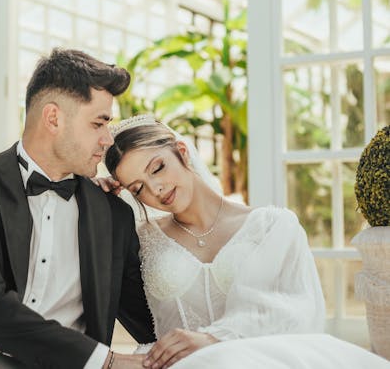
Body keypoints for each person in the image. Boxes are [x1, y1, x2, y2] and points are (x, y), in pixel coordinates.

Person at [0, 49, 155, 369]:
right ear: (53, 118)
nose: (107, 139)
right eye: (98, 123)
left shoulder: (112, 213)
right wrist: (104, 361)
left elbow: (150, 318)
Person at [103, 115, 389, 369]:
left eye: (158, 168)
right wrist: (96, 196)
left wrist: (214, 339)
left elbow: (298, 312)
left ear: (181, 153)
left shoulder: (274, 226)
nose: (156, 188)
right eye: (138, 188)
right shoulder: (142, 239)